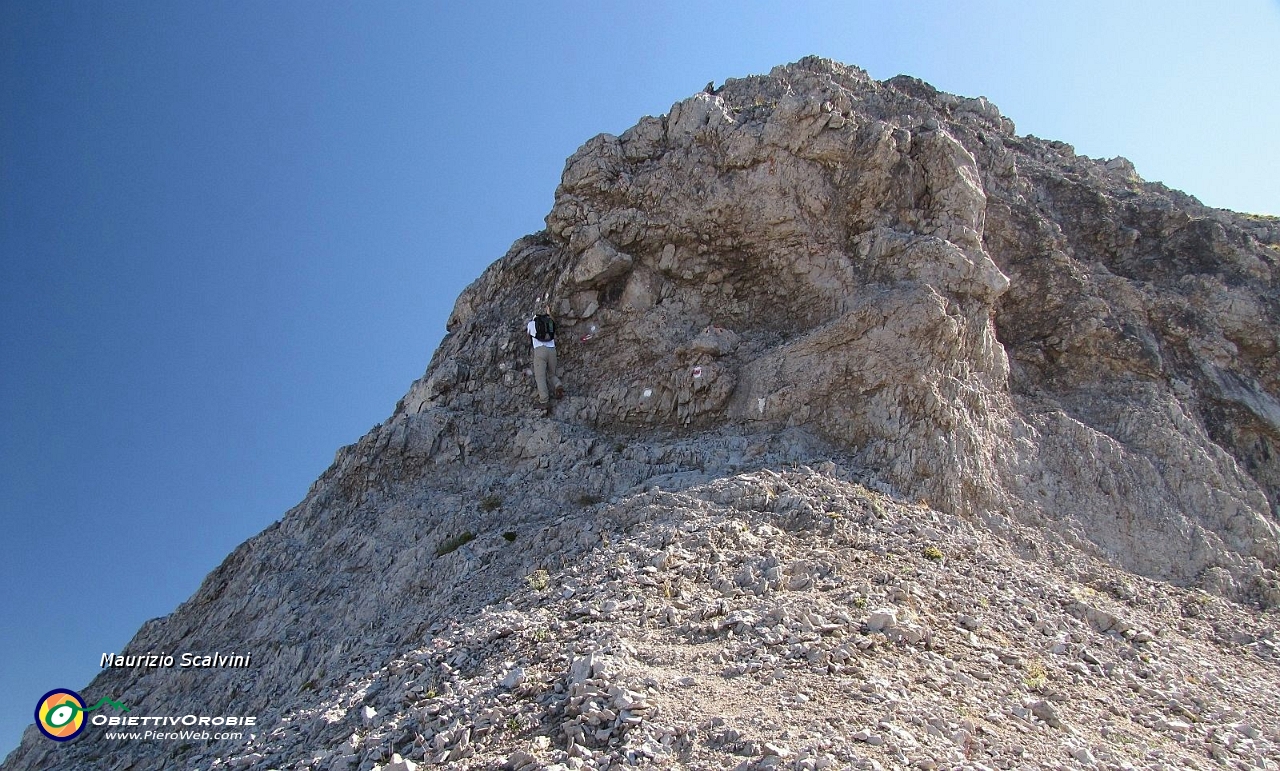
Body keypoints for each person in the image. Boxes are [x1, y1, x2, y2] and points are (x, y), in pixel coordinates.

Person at [528, 304, 563, 411]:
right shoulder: (549, 322)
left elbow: (528, 335)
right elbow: (554, 325)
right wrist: (549, 313)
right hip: (552, 350)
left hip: (540, 351)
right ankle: (558, 385)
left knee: (540, 377)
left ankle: (544, 401)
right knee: (551, 373)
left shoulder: (531, 323)